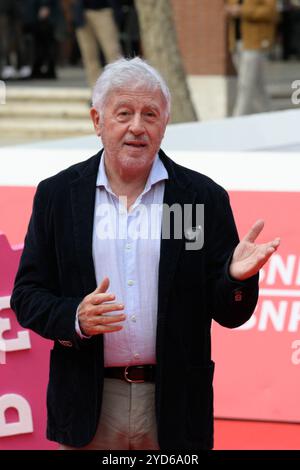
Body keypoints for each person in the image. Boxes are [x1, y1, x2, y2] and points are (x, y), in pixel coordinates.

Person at [10, 57, 280, 450]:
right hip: (89, 401)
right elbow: (28, 294)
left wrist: (234, 279)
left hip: (173, 402)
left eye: (149, 114)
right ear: (97, 121)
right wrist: (75, 318)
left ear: (164, 125)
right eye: (124, 113)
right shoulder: (59, 195)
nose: (137, 126)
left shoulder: (197, 200)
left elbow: (229, 312)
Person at [226, 0, 278, 116]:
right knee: (257, 86)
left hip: (255, 42)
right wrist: (230, 10)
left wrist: (242, 11)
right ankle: (270, 117)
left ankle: (237, 120)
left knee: (245, 84)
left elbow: (271, 12)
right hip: (237, 43)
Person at [72, 0, 122, 89]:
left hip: (104, 10)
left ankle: (118, 88)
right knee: (89, 56)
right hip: (82, 12)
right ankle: (95, 92)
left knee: (113, 53)